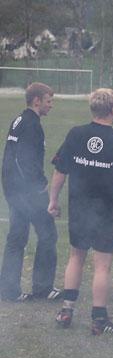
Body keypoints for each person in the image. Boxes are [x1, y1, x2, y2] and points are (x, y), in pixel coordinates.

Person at [50, 88, 113, 334]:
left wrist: (53, 200)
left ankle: (66, 310)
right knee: (102, 266)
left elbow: (60, 171)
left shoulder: (76, 134)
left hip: (79, 206)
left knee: (76, 257)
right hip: (107, 211)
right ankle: (99, 318)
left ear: (92, 109)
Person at [0, 82, 61, 302]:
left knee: (17, 236)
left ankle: (8, 290)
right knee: (48, 233)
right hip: (27, 191)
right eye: (48, 101)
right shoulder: (32, 124)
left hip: (13, 189)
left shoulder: (19, 120)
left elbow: (10, 157)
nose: (51, 105)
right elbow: (22, 159)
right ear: (37, 101)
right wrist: (39, 184)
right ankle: (43, 288)